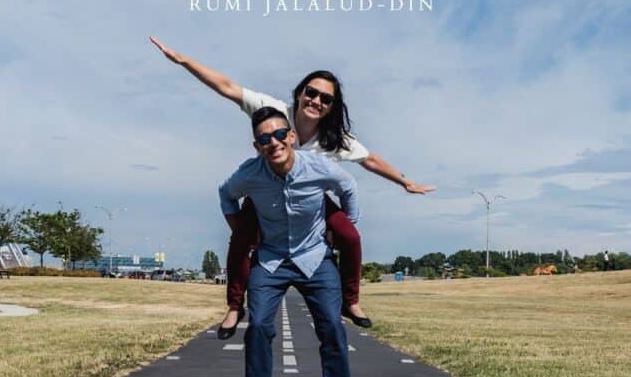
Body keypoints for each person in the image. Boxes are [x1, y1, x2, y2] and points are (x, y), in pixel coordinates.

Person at [149, 37, 435, 335]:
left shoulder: (333, 137)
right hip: (266, 192)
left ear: (331, 107)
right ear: (300, 94)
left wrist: (404, 182)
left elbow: (370, 160)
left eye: (326, 99)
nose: (316, 101)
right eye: (311, 93)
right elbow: (227, 87)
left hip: (311, 202)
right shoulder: (273, 111)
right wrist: (184, 61)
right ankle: (234, 307)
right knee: (240, 239)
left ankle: (350, 301)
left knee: (350, 236)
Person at [219, 106, 357, 377]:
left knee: (332, 329)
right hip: (270, 259)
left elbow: (348, 187)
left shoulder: (318, 167)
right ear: (257, 146)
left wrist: (344, 229)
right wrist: (240, 230)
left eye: (280, 134)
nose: (274, 142)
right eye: (264, 138)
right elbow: (225, 195)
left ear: (291, 137)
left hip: (315, 258)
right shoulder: (248, 174)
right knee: (258, 328)